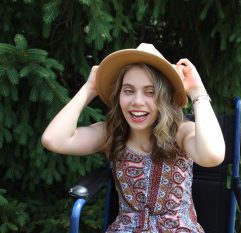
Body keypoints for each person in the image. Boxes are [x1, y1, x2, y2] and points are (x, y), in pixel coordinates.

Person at [42, 43, 225, 232]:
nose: (137, 102)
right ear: (118, 95)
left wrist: (197, 92)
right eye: (128, 90)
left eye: (150, 92)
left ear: (164, 97)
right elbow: (54, 139)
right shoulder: (112, 133)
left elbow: (213, 155)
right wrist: (89, 89)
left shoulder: (180, 132)